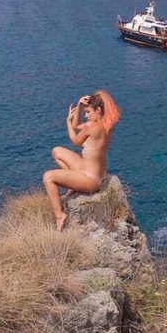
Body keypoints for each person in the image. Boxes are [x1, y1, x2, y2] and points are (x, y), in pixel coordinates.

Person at [42, 90, 120, 231]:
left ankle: (59, 216)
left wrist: (67, 121)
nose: (86, 115)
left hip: (90, 180)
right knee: (57, 151)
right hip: (93, 173)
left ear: (98, 110)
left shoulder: (91, 127)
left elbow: (75, 141)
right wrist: (79, 105)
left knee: (48, 177)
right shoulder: (107, 124)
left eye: (88, 112)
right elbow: (77, 125)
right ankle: (73, 185)